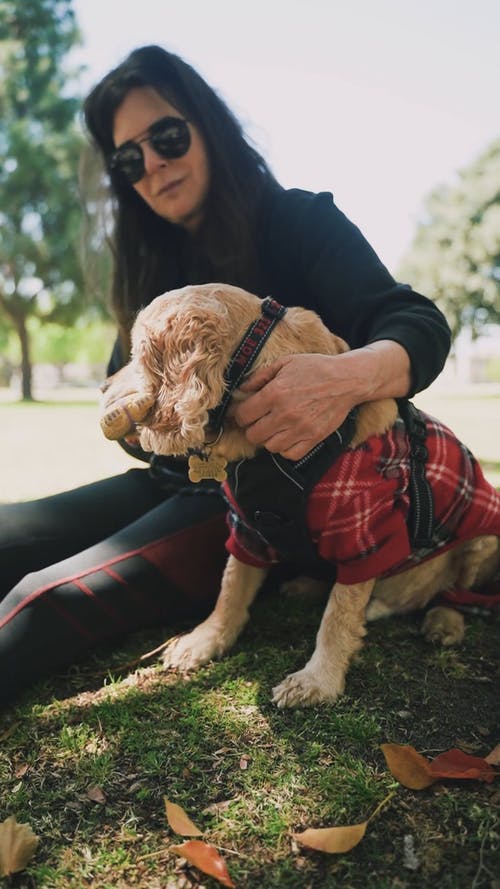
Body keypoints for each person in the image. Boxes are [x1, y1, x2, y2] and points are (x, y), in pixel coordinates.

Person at [0, 44, 451, 710]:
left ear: (207, 125)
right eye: (128, 159)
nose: (151, 164)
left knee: (40, 598)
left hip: (261, 502)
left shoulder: (299, 220)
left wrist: (342, 379)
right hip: (173, 477)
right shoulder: (150, 265)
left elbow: (418, 324)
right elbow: (123, 403)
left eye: (167, 136)